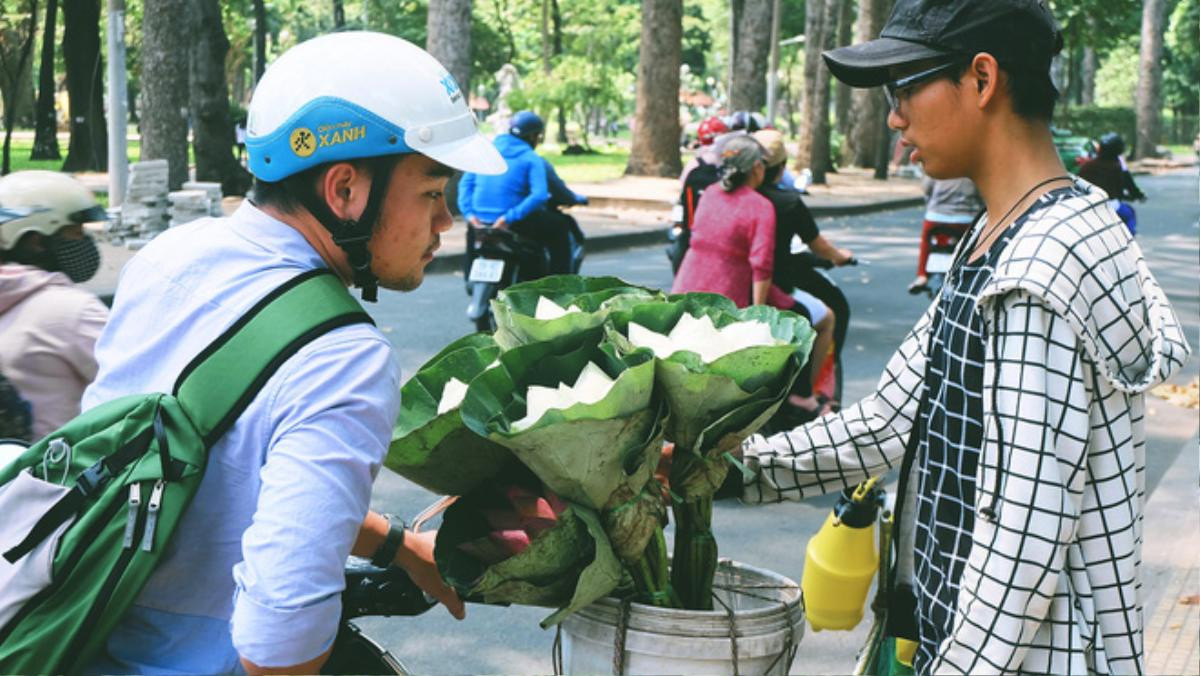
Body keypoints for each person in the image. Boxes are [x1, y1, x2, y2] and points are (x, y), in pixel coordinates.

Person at [736, 1, 1190, 674]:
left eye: (904, 88)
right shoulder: (1002, 233)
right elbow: (894, 419)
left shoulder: (1042, 269)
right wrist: (724, 464)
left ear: (981, 80)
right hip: (950, 632)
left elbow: (1023, 546)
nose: (893, 118)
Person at [80, 32, 506, 674]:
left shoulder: (172, 255)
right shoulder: (344, 358)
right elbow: (278, 647)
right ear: (344, 190)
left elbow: (201, 472)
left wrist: (394, 543)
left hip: (85, 636)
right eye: (432, 192)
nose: (446, 221)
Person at [0, 171, 109, 440]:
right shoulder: (74, 312)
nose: (85, 241)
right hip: (56, 475)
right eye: (76, 231)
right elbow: (143, 389)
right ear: (37, 240)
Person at [752, 129, 853, 418]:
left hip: (728, 282)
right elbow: (819, 246)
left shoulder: (728, 197)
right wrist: (839, 256)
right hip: (773, 286)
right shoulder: (785, 203)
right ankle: (804, 393)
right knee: (828, 317)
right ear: (781, 167)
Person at [457, 110, 573, 274]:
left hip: (480, 223)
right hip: (514, 224)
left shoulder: (486, 152)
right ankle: (562, 285)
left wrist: (470, 216)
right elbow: (539, 195)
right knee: (560, 226)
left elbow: (464, 186)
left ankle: (469, 276)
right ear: (533, 137)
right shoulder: (531, 158)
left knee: (472, 233)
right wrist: (507, 218)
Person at [671, 135, 777, 308]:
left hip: (684, 291)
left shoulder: (710, 193)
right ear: (757, 168)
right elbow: (762, 265)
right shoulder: (761, 207)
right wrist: (759, 312)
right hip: (723, 303)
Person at [908, 176, 983, 294]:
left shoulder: (939, 166)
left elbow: (926, 189)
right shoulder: (971, 168)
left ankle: (922, 276)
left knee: (926, 241)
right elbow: (981, 195)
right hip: (964, 220)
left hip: (936, 217)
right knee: (971, 245)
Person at [1077, 132, 1146, 236]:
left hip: (1088, 206)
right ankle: (1129, 242)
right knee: (1130, 214)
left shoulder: (1087, 166)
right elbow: (1129, 186)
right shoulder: (1118, 167)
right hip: (1111, 205)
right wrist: (1138, 195)